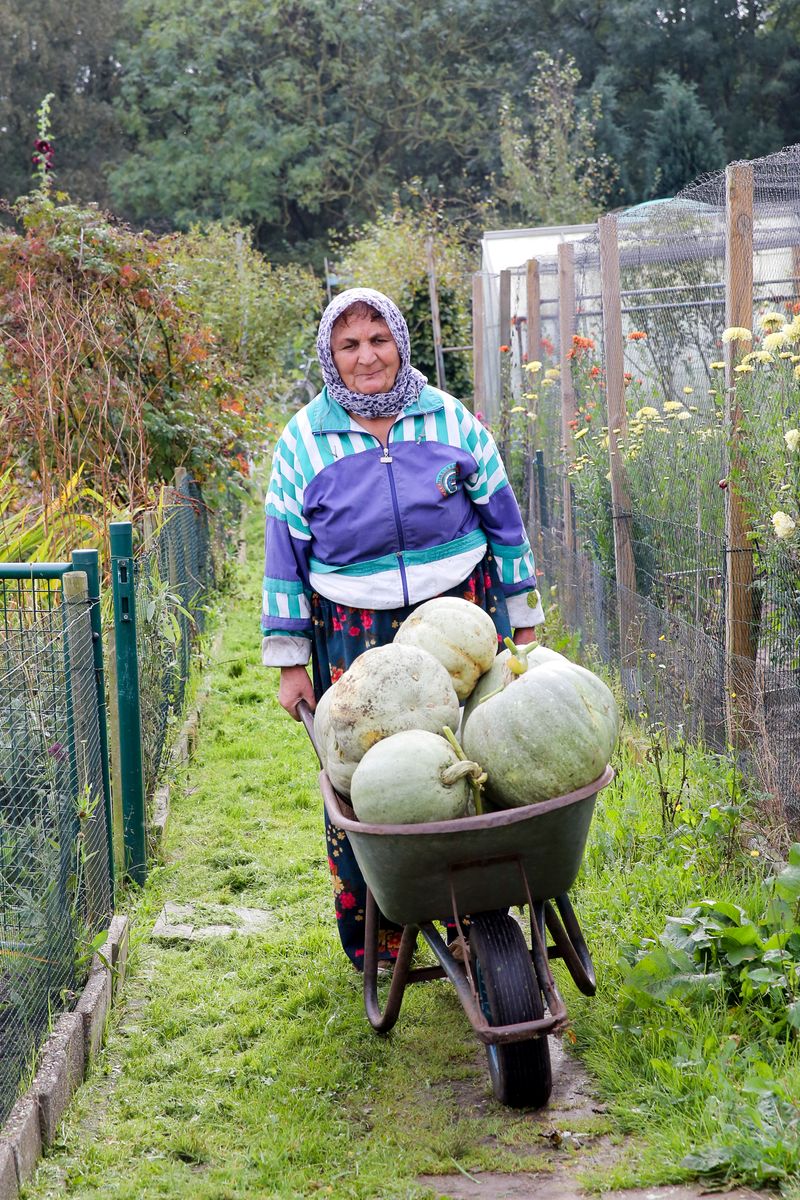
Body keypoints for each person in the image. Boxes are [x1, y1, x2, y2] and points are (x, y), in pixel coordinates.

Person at [262, 287, 544, 969]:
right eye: (349, 345)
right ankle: (383, 930)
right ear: (330, 355)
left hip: (460, 624)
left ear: (400, 343)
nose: (367, 357)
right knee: (369, 783)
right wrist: (290, 662)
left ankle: (478, 912)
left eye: (379, 340)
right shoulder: (304, 441)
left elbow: (504, 524)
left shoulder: (449, 419)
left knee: (471, 762)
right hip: (356, 634)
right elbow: (283, 556)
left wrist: (524, 622)